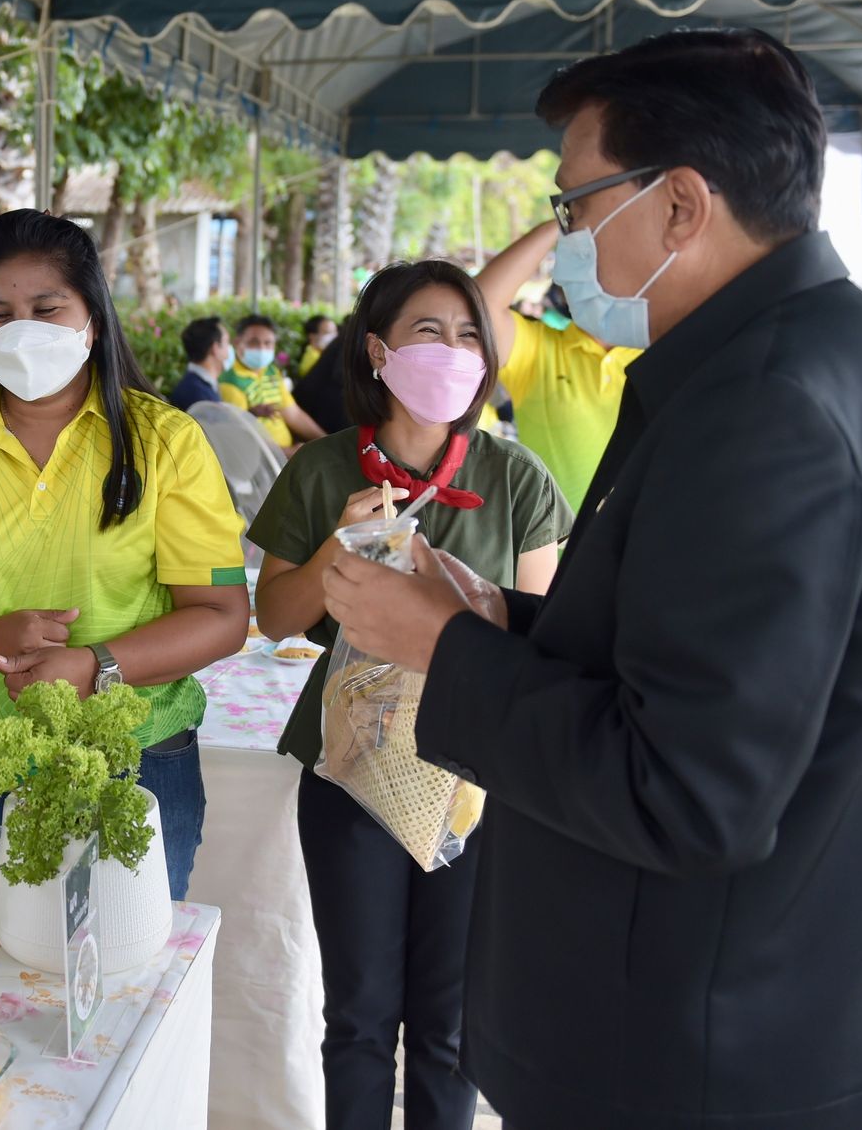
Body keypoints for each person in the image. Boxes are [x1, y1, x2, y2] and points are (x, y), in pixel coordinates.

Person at [321, 30, 862, 1130]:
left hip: (699, 1052)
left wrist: (440, 645)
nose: (567, 240)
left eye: (575, 205)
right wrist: (497, 615)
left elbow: (685, 787)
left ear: (679, 205)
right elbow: (691, 652)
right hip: (737, 1022)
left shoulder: (769, 406)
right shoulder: (812, 356)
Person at [249, 261, 569, 1130]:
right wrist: (337, 548)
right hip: (349, 770)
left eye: (469, 335)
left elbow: (541, 638)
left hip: (473, 781)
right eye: (430, 332)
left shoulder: (516, 478)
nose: (454, 351)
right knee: (358, 1016)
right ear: (378, 350)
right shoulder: (321, 470)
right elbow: (274, 616)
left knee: (450, 1023)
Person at [0, 210, 249, 900]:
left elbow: (222, 615)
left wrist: (98, 667)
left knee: (130, 961)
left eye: (47, 309)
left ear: (92, 320)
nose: (22, 330)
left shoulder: (165, 441)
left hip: (137, 768)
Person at [474, 219, 639, 510]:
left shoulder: (660, 349)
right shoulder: (540, 351)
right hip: (558, 537)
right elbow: (479, 304)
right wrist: (564, 220)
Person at [220, 314, 324, 450]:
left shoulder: (271, 371)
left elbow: (293, 414)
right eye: (254, 342)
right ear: (237, 343)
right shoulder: (230, 381)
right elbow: (239, 434)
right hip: (262, 458)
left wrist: (326, 440)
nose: (261, 348)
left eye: (268, 343)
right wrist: (287, 453)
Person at [168, 317, 230, 412]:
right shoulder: (198, 396)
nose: (229, 348)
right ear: (215, 348)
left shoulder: (197, 385)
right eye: (227, 342)